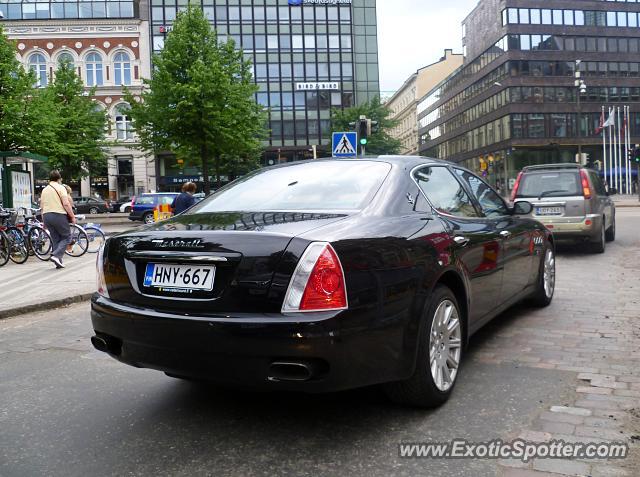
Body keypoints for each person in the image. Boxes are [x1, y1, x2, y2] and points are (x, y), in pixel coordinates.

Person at [40, 171, 76, 269]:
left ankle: (58, 262)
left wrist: (44, 221)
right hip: (58, 215)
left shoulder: (44, 190)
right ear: (59, 179)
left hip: (47, 216)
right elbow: (66, 203)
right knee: (67, 237)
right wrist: (72, 216)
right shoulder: (61, 188)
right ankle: (56, 256)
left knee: (55, 239)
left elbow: (42, 207)